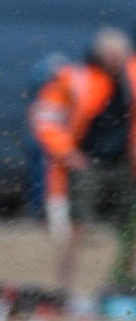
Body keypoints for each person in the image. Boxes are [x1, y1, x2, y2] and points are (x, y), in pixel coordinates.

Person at [29, 28, 136, 299]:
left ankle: (124, 283)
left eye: (119, 55)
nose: (115, 60)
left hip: (124, 164)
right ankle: (66, 289)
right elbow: (45, 118)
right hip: (86, 163)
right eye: (110, 55)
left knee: (130, 225)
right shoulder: (75, 78)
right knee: (76, 227)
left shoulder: (131, 76)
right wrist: (68, 153)